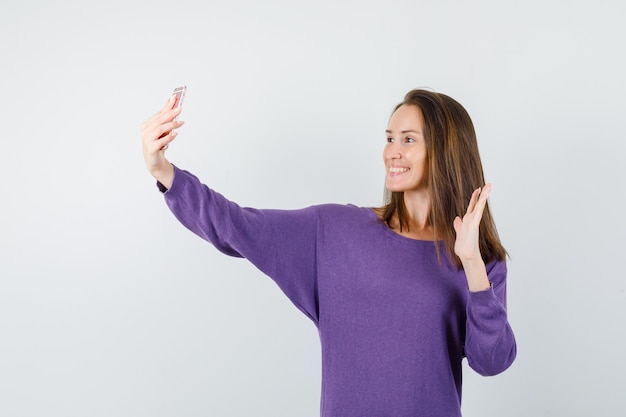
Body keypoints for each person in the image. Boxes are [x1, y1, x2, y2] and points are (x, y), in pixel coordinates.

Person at [140, 89, 517, 416]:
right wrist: (164, 170)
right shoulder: (335, 231)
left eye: (408, 139)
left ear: (446, 151)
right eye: (389, 138)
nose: (391, 152)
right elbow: (235, 225)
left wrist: (470, 262)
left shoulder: (479, 260)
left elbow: (492, 361)